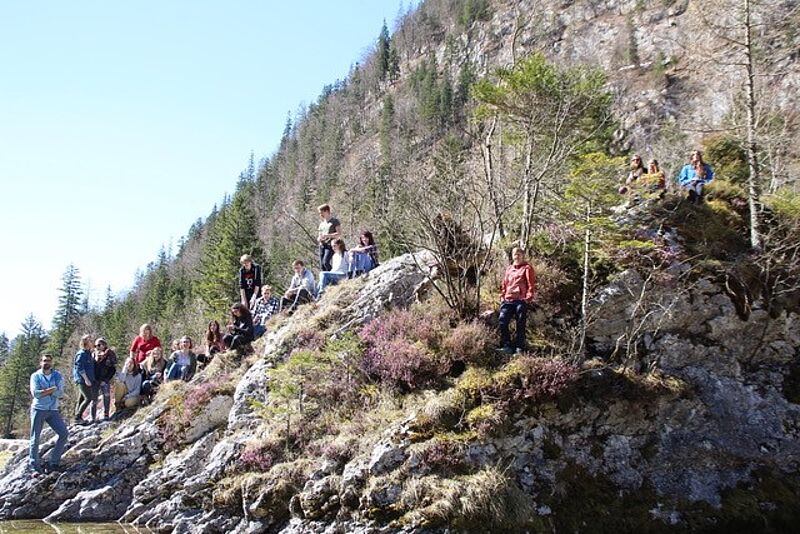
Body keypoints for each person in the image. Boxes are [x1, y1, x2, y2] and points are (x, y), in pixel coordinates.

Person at [29, 353, 69, 475]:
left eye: (49, 361)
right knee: (35, 438)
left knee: (64, 433)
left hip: (53, 410)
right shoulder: (35, 376)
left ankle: (54, 463)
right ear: (40, 362)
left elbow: (61, 393)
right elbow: (36, 393)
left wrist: (47, 391)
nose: (46, 363)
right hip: (38, 409)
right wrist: (52, 389)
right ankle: (34, 465)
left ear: (52, 362)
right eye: (44, 360)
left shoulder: (57, 376)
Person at [498, 247, 537, 355]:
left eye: (519, 254)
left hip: (520, 300)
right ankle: (507, 346)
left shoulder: (527, 268)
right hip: (508, 300)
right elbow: (504, 284)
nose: (517, 256)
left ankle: (519, 348)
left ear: (523, 255)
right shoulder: (509, 269)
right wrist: (502, 296)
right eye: (515, 254)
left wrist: (527, 298)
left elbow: (531, 285)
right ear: (512, 256)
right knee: (502, 321)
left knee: (520, 323)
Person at [73, 335, 96, 425]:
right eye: (90, 341)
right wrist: (86, 379)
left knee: (81, 399)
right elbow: (79, 367)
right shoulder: (81, 354)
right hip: (82, 380)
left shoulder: (88, 353)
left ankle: (78, 417)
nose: (92, 342)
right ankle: (77, 417)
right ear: (86, 342)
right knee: (88, 398)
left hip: (88, 379)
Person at [92, 338, 117, 420]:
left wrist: (107, 379)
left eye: (99, 345)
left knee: (106, 396)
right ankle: (93, 418)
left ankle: (106, 415)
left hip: (105, 379)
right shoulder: (93, 354)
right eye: (95, 346)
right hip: (95, 379)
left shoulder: (110, 353)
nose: (97, 347)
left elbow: (113, 368)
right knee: (94, 398)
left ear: (104, 345)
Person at [317, 204, 341, 271]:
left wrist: (327, 235)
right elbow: (319, 235)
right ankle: (327, 280)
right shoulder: (321, 224)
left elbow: (339, 234)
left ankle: (333, 275)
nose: (320, 214)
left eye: (321, 212)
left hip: (331, 245)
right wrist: (319, 238)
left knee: (326, 262)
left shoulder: (334, 221)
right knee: (322, 265)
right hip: (322, 245)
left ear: (327, 211)